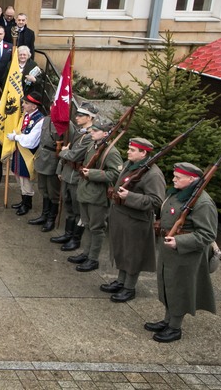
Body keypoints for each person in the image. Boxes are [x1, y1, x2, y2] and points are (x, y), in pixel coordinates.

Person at [146, 162, 218, 343]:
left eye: (178, 177)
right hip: (169, 249)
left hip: (185, 254)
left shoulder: (202, 202)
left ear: (192, 179)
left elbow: (207, 234)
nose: (173, 179)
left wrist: (179, 241)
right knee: (167, 284)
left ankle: (175, 327)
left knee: (179, 289)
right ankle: (167, 320)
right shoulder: (179, 194)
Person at [99, 138, 166, 303]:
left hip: (136, 220)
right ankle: (120, 281)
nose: (128, 152)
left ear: (144, 153)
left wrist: (130, 197)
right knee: (121, 250)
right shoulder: (130, 165)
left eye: (133, 150)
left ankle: (129, 287)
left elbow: (156, 201)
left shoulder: (153, 174)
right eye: (129, 149)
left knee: (133, 255)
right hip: (121, 216)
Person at [67, 119, 122, 273]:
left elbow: (116, 173)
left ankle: (93, 258)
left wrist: (92, 173)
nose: (91, 132)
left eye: (95, 131)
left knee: (97, 228)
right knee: (87, 224)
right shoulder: (93, 145)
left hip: (97, 195)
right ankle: (86, 253)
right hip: (86, 192)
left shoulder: (111, 152)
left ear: (106, 134)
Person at [52, 103, 99, 251]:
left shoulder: (90, 135)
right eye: (77, 115)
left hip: (77, 176)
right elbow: (69, 149)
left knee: (78, 209)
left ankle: (75, 239)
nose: (76, 117)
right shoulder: (79, 132)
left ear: (90, 117)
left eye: (81, 115)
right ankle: (68, 233)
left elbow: (73, 154)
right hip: (67, 173)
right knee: (68, 205)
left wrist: (62, 152)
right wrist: (60, 168)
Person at [7, 92, 45, 216]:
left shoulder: (39, 120)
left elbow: (31, 141)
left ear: (34, 106)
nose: (23, 105)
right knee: (19, 177)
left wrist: (16, 137)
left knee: (26, 180)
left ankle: (27, 204)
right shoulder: (26, 116)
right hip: (19, 153)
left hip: (28, 154)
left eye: (26, 103)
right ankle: (23, 201)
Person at [28, 111, 63, 232]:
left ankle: (51, 219)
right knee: (43, 189)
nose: (53, 107)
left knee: (53, 191)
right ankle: (44, 215)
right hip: (42, 156)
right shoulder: (47, 119)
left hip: (53, 158)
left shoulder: (65, 123)